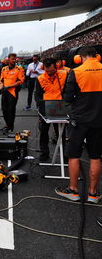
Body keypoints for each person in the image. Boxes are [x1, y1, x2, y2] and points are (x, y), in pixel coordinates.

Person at [55, 46, 102, 203]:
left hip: (79, 120)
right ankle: (93, 193)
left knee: (74, 154)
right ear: (97, 56)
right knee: (95, 156)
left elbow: (67, 98)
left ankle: (73, 190)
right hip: (99, 120)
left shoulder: (76, 71)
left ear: (80, 58)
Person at [35, 58, 68, 162]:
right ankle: (44, 153)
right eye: (47, 71)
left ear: (56, 67)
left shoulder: (64, 75)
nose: (49, 73)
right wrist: (41, 108)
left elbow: (68, 91)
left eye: (51, 71)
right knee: (43, 132)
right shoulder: (40, 78)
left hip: (59, 106)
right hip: (45, 106)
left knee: (61, 133)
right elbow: (38, 95)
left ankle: (64, 154)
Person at [0, 53, 25, 133]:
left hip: (13, 92)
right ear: (8, 59)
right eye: (12, 59)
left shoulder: (19, 69)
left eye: (15, 59)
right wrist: (0, 88)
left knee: (11, 110)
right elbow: (1, 80)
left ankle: (10, 127)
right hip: (5, 92)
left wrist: (9, 87)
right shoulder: (4, 69)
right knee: (4, 109)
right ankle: (7, 125)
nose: (14, 60)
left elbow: (21, 81)